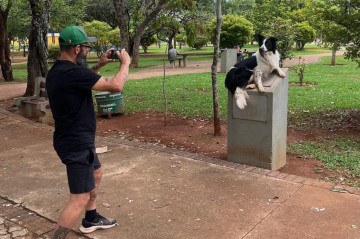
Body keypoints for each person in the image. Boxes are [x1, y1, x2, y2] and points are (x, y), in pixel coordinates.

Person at [46, 25, 130, 239]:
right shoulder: (73, 73)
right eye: (85, 47)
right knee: (79, 198)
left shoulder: (58, 71)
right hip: (76, 144)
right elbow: (116, 85)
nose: (87, 51)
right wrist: (126, 63)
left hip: (75, 139)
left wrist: (100, 65)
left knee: (96, 173)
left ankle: (91, 218)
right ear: (76, 49)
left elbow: (82, 80)